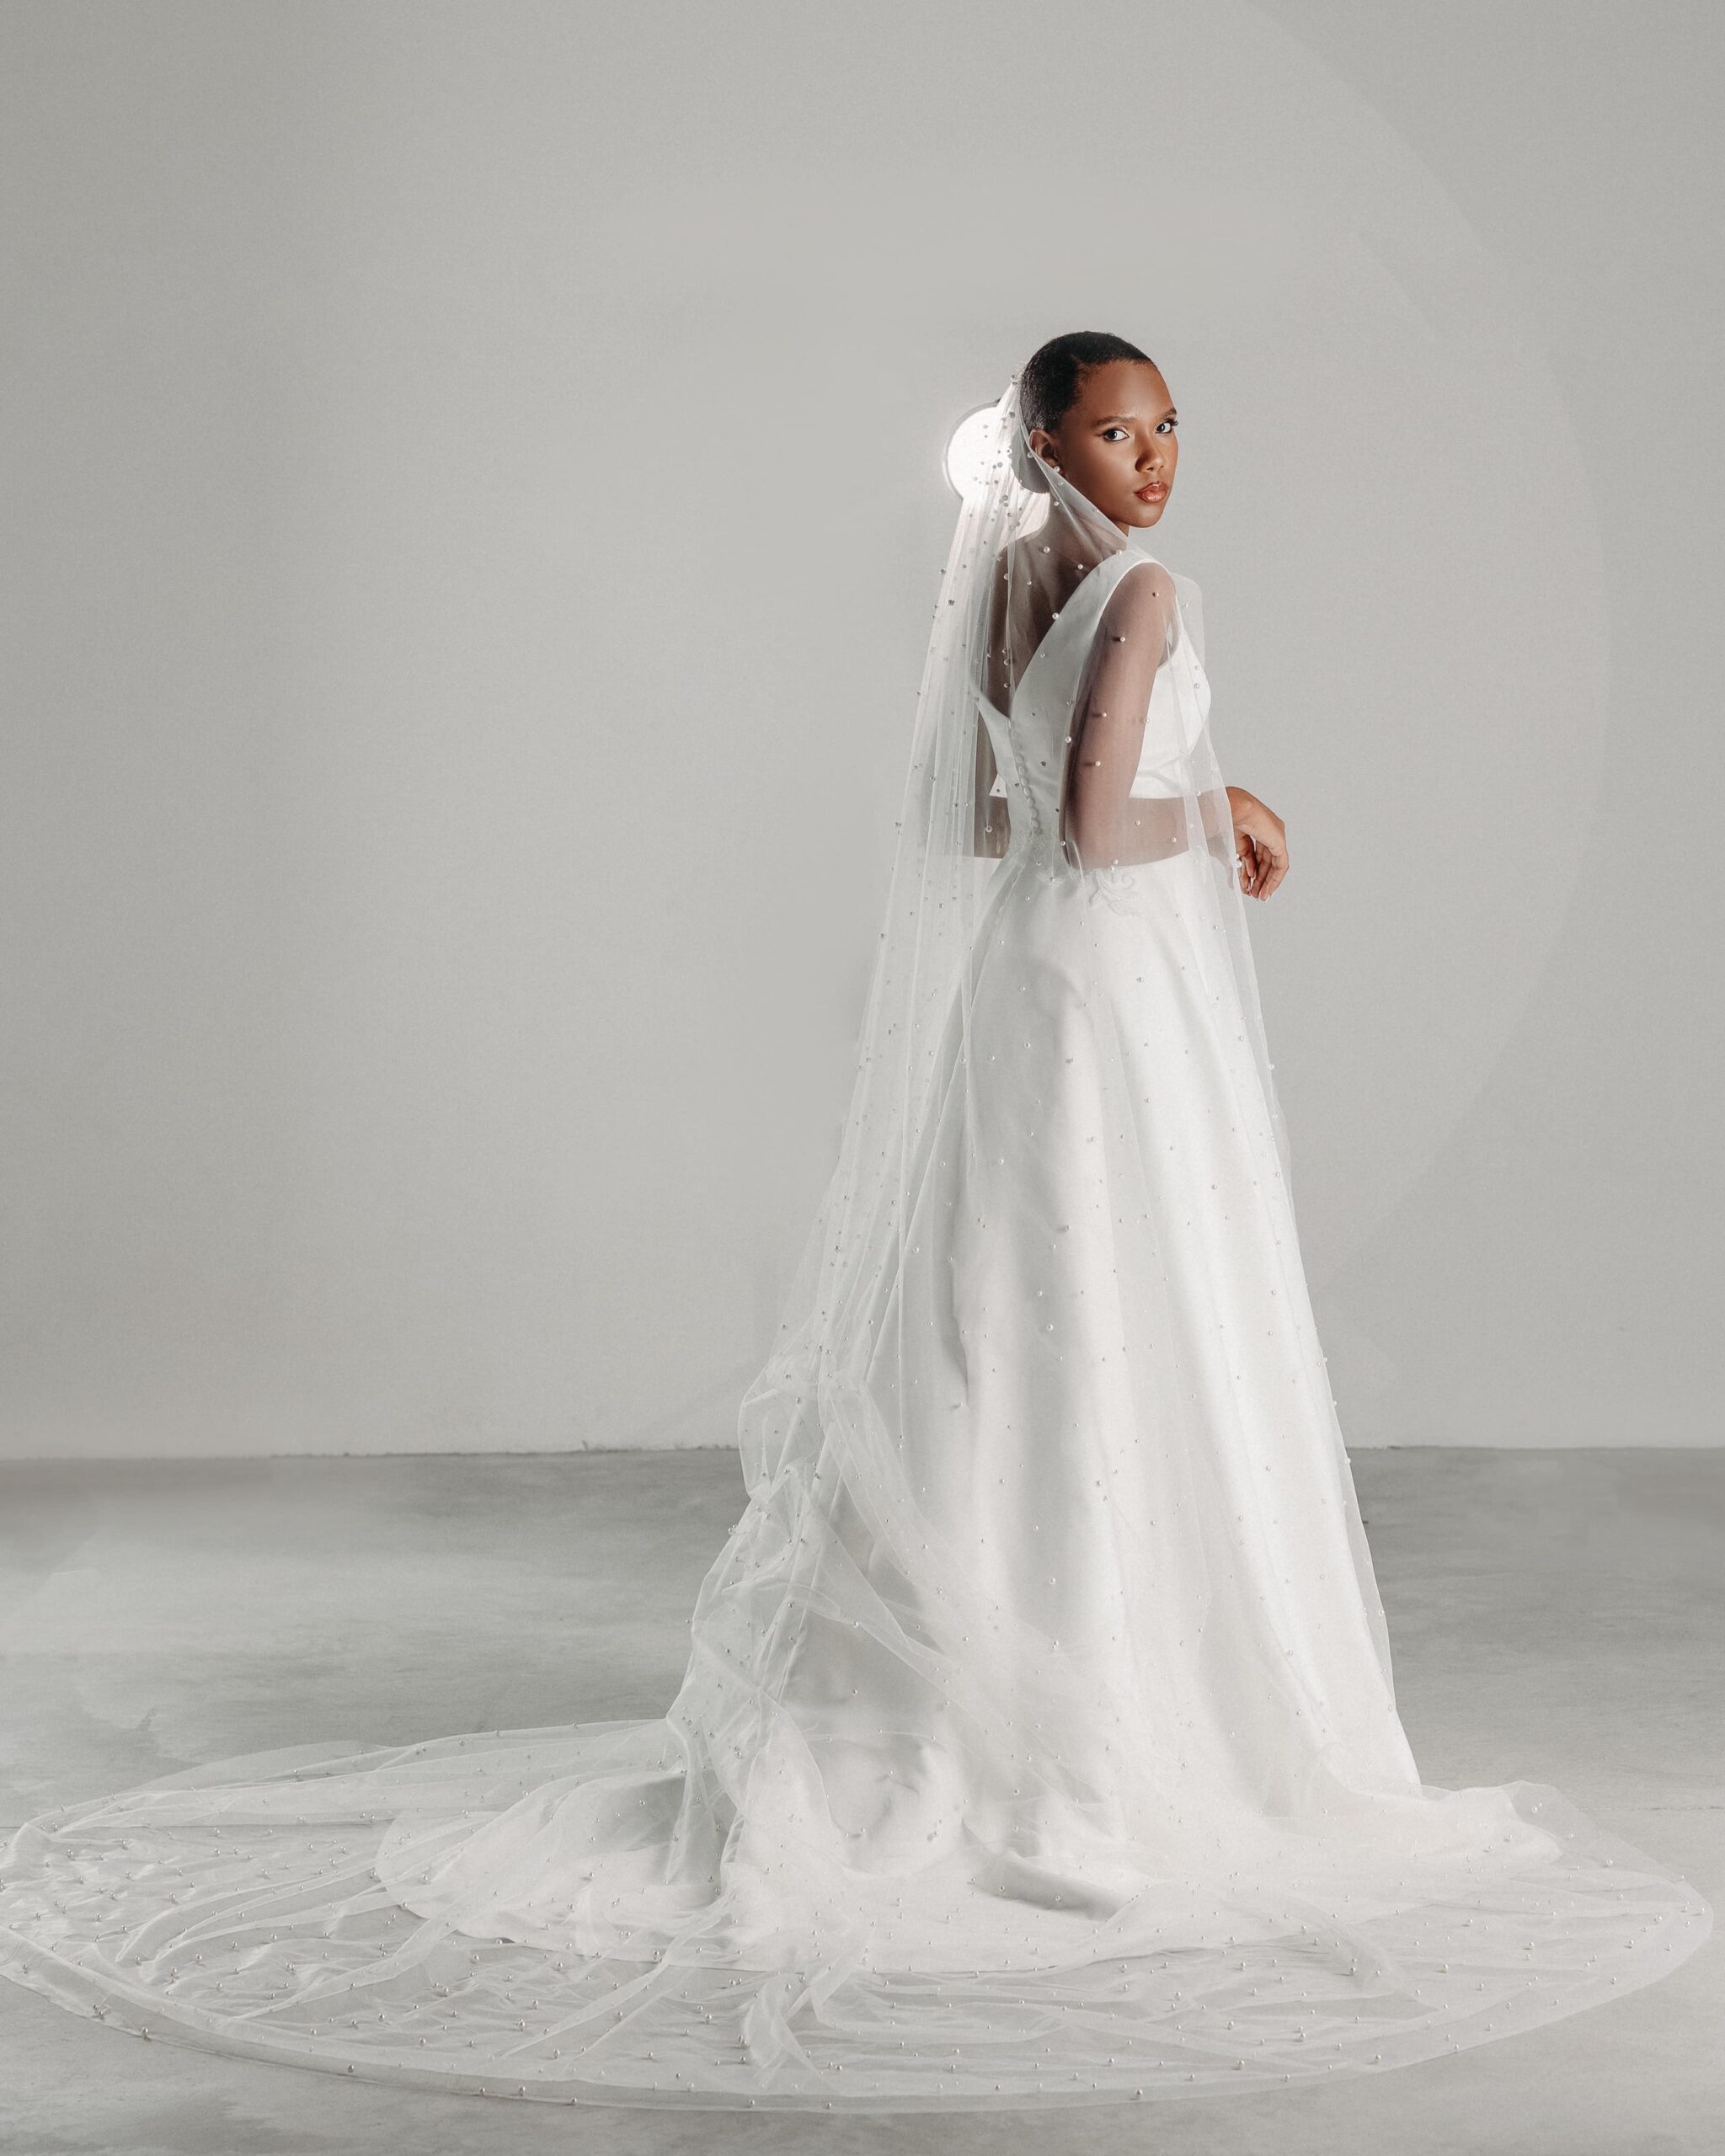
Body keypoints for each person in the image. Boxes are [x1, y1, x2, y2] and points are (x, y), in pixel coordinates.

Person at [0, 334, 1707, 2111]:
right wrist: (1232, 804)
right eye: (1114, 430)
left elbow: (978, 815)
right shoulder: (1143, 595)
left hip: (1027, 992)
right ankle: (1099, 1710)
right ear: (1044, 443)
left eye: (1167, 428)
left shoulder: (1006, 588)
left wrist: (1166, 807)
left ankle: (946, 1688)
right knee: (1116, 1308)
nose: (1153, 458)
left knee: (1001, 1310)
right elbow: (1080, 824)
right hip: (1113, 995)